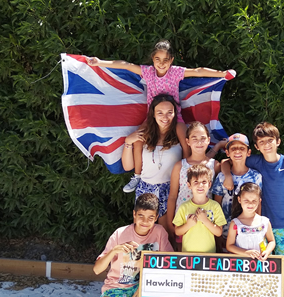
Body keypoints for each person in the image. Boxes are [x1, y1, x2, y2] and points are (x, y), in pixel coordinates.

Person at [86, 40, 235, 192]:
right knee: (138, 139)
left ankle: (186, 172)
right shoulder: (148, 72)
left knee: (185, 141)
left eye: (165, 60)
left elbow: (198, 71)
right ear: (153, 59)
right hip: (153, 117)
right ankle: (137, 176)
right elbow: (126, 65)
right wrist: (100, 62)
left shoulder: (175, 72)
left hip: (174, 116)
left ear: (171, 60)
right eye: (158, 59)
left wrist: (222, 74)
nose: (161, 63)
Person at [221, 122, 284, 297]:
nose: (267, 145)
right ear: (256, 147)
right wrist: (228, 175)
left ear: (278, 141)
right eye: (261, 142)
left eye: (270, 140)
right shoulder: (256, 161)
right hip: (256, 226)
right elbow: (226, 161)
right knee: (256, 265)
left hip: (282, 225)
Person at [87, 193, 173, 297]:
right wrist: (114, 251)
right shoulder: (120, 233)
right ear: (134, 214)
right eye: (141, 216)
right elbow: (97, 269)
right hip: (119, 287)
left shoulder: (159, 232)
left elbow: (169, 264)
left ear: (156, 217)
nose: (145, 221)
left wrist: (145, 285)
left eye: (150, 217)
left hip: (147, 285)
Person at [122, 94, 182, 242]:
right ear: (153, 114)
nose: (165, 117)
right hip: (146, 188)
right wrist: (128, 142)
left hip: (170, 188)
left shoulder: (179, 129)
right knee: (144, 233)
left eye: (169, 112)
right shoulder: (144, 133)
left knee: (168, 235)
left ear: (175, 113)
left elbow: (188, 160)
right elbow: (128, 166)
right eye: (160, 112)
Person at [167, 122, 225, 250]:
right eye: (194, 138)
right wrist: (170, 224)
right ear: (187, 141)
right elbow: (172, 196)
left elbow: (218, 194)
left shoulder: (215, 165)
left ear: (208, 140)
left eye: (203, 138)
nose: (199, 142)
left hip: (208, 220)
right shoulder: (180, 166)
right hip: (183, 220)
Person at [212, 133, 262, 252]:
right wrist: (218, 234)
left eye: (242, 148)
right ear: (227, 153)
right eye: (233, 148)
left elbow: (258, 204)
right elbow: (216, 205)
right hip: (225, 232)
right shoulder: (221, 177)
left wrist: (258, 226)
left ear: (248, 152)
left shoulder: (256, 176)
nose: (237, 151)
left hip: (248, 232)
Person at [173, 164, 227, 253]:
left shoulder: (215, 206)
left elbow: (218, 232)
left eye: (204, 182)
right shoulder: (183, 207)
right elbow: (177, 232)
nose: (200, 185)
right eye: (196, 182)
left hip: (209, 255)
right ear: (189, 185)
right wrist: (188, 225)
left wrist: (205, 220)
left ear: (209, 184)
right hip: (188, 255)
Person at [226, 182, 275, 259]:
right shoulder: (235, 223)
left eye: (254, 201)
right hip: (241, 263)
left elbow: (271, 241)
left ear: (259, 201)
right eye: (246, 200)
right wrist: (246, 252)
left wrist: (267, 251)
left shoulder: (265, 222)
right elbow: (229, 246)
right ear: (239, 200)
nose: (250, 204)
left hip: (260, 263)